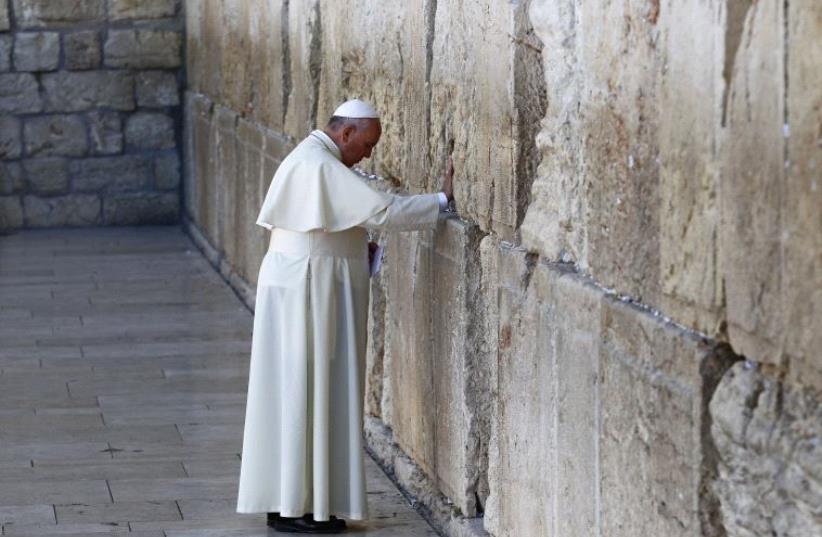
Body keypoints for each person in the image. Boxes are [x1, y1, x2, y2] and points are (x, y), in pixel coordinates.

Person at [236, 99, 455, 534]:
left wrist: (357, 245)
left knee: (297, 390)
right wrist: (442, 200)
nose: (368, 154)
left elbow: (328, 222)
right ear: (347, 133)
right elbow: (383, 210)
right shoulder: (320, 164)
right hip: (309, 292)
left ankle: (291, 501)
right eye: (367, 144)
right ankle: (298, 509)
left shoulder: (313, 157)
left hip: (304, 284)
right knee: (306, 390)